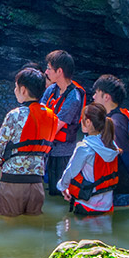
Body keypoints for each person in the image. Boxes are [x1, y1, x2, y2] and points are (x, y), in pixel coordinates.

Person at [0, 67, 57, 217]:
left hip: (12, 182)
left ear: (23, 90)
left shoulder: (15, 115)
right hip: (36, 184)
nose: (15, 91)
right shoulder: (51, 116)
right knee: (34, 230)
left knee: (6, 229)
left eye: (16, 87)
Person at [91, 74, 129, 207]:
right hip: (123, 184)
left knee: (116, 220)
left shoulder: (115, 123)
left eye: (96, 93)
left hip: (121, 186)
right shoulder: (122, 115)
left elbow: (128, 156)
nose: (93, 97)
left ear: (106, 97)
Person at [56, 105, 121, 216]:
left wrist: (62, 187)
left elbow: (71, 172)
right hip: (107, 206)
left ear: (88, 122)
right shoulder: (112, 145)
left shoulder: (84, 148)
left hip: (87, 205)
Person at [41, 50, 86, 197]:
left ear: (59, 71)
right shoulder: (52, 89)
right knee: (48, 190)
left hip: (62, 152)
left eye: (48, 68)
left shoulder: (74, 97)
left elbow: (57, 125)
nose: (46, 72)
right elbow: (40, 111)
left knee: (58, 192)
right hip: (48, 148)